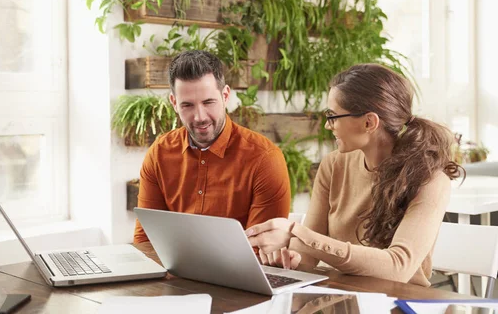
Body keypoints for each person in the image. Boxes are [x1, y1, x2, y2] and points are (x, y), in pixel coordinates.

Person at [245, 63, 462, 287]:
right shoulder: (333, 165)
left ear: (369, 122)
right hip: (338, 296)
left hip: (400, 301)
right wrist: (289, 257)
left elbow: (399, 267)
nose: (328, 126)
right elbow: (308, 256)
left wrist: (297, 234)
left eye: (333, 116)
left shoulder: (430, 180)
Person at [134, 50, 291, 243]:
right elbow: (146, 240)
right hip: (174, 273)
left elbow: (264, 250)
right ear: (174, 103)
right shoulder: (159, 154)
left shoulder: (264, 159)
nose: (200, 117)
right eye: (187, 105)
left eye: (208, 102)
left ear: (225, 95)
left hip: (240, 273)